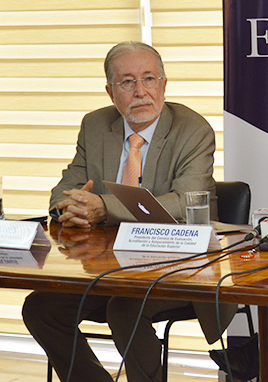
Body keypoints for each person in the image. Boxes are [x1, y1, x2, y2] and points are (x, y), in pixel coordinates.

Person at [22, 42, 236, 382]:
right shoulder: (95, 125)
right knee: (40, 307)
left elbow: (184, 202)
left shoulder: (192, 130)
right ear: (110, 91)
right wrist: (69, 208)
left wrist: (104, 207)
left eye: (149, 79)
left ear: (163, 85)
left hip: (176, 269)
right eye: (127, 82)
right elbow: (64, 190)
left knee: (124, 308)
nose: (141, 91)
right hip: (106, 269)